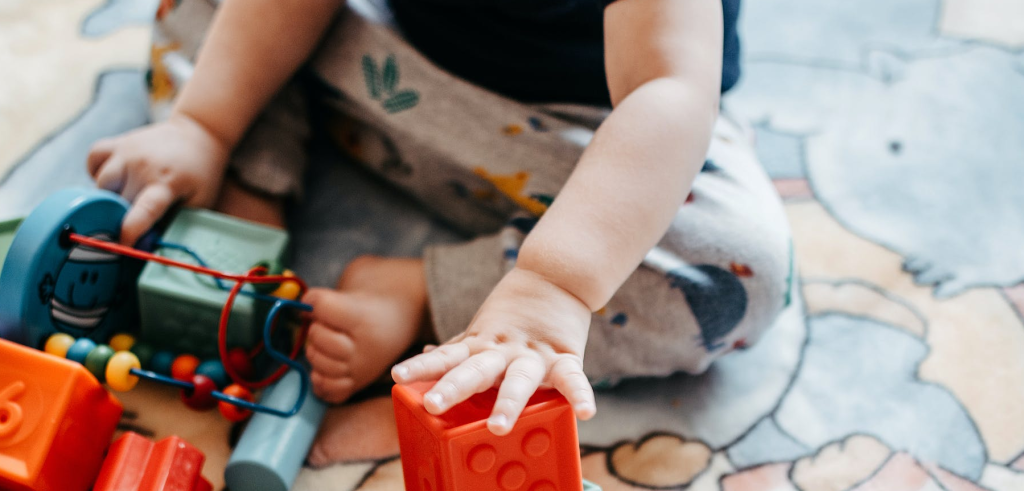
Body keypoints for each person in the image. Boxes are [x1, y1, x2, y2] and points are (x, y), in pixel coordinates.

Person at [86, 0, 791, 438]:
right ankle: (246, 199)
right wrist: (205, 123)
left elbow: (665, 93)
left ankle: (425, 292)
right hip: (388, 74)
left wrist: (553, 285)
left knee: (737, 270)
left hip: (589, 146)